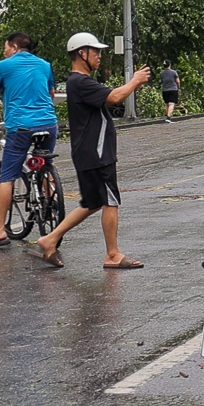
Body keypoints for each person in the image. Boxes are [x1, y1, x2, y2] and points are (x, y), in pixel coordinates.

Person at [32, 33, 152, 270]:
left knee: (92, 202)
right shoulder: (81, 82)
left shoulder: (80, 82)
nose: (99, 56)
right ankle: (112, 254)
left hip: (89, 152)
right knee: (110, 200)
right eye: (95, 52)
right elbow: (115, 97)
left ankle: (50, 239)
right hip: (96, 154)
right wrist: (135, 80)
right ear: (81, 54)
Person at [0, 31, 58, 249]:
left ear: (13, 47)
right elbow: (51, 93)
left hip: (20, 127)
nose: (4, 51)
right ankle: (50, 207)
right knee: (45, 164)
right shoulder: (45, 64)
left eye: (5, 47)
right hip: (49, 124)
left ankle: (0, 231)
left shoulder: (3, 66)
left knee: (7, 177)